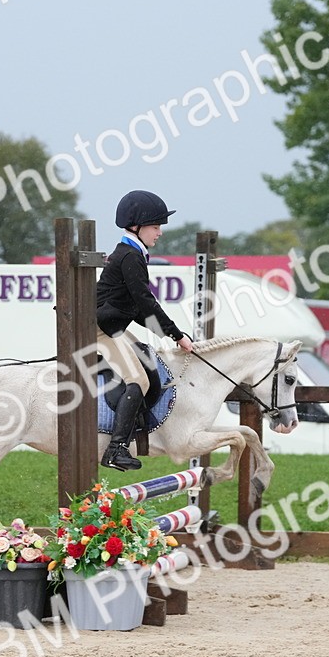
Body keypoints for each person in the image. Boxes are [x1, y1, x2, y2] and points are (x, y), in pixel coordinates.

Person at [94, 190, 195, 471]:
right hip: (97, 331)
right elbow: (145, 303)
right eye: (155, 227)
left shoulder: (133, 253)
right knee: (137, 379)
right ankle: (116, 449)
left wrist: (171, 335)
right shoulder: (130, 257)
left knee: (147, 359)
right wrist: (176, 334)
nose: (159, 233)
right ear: (137, 226)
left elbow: (137, 310)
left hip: (111, 327)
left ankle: (136, 429)